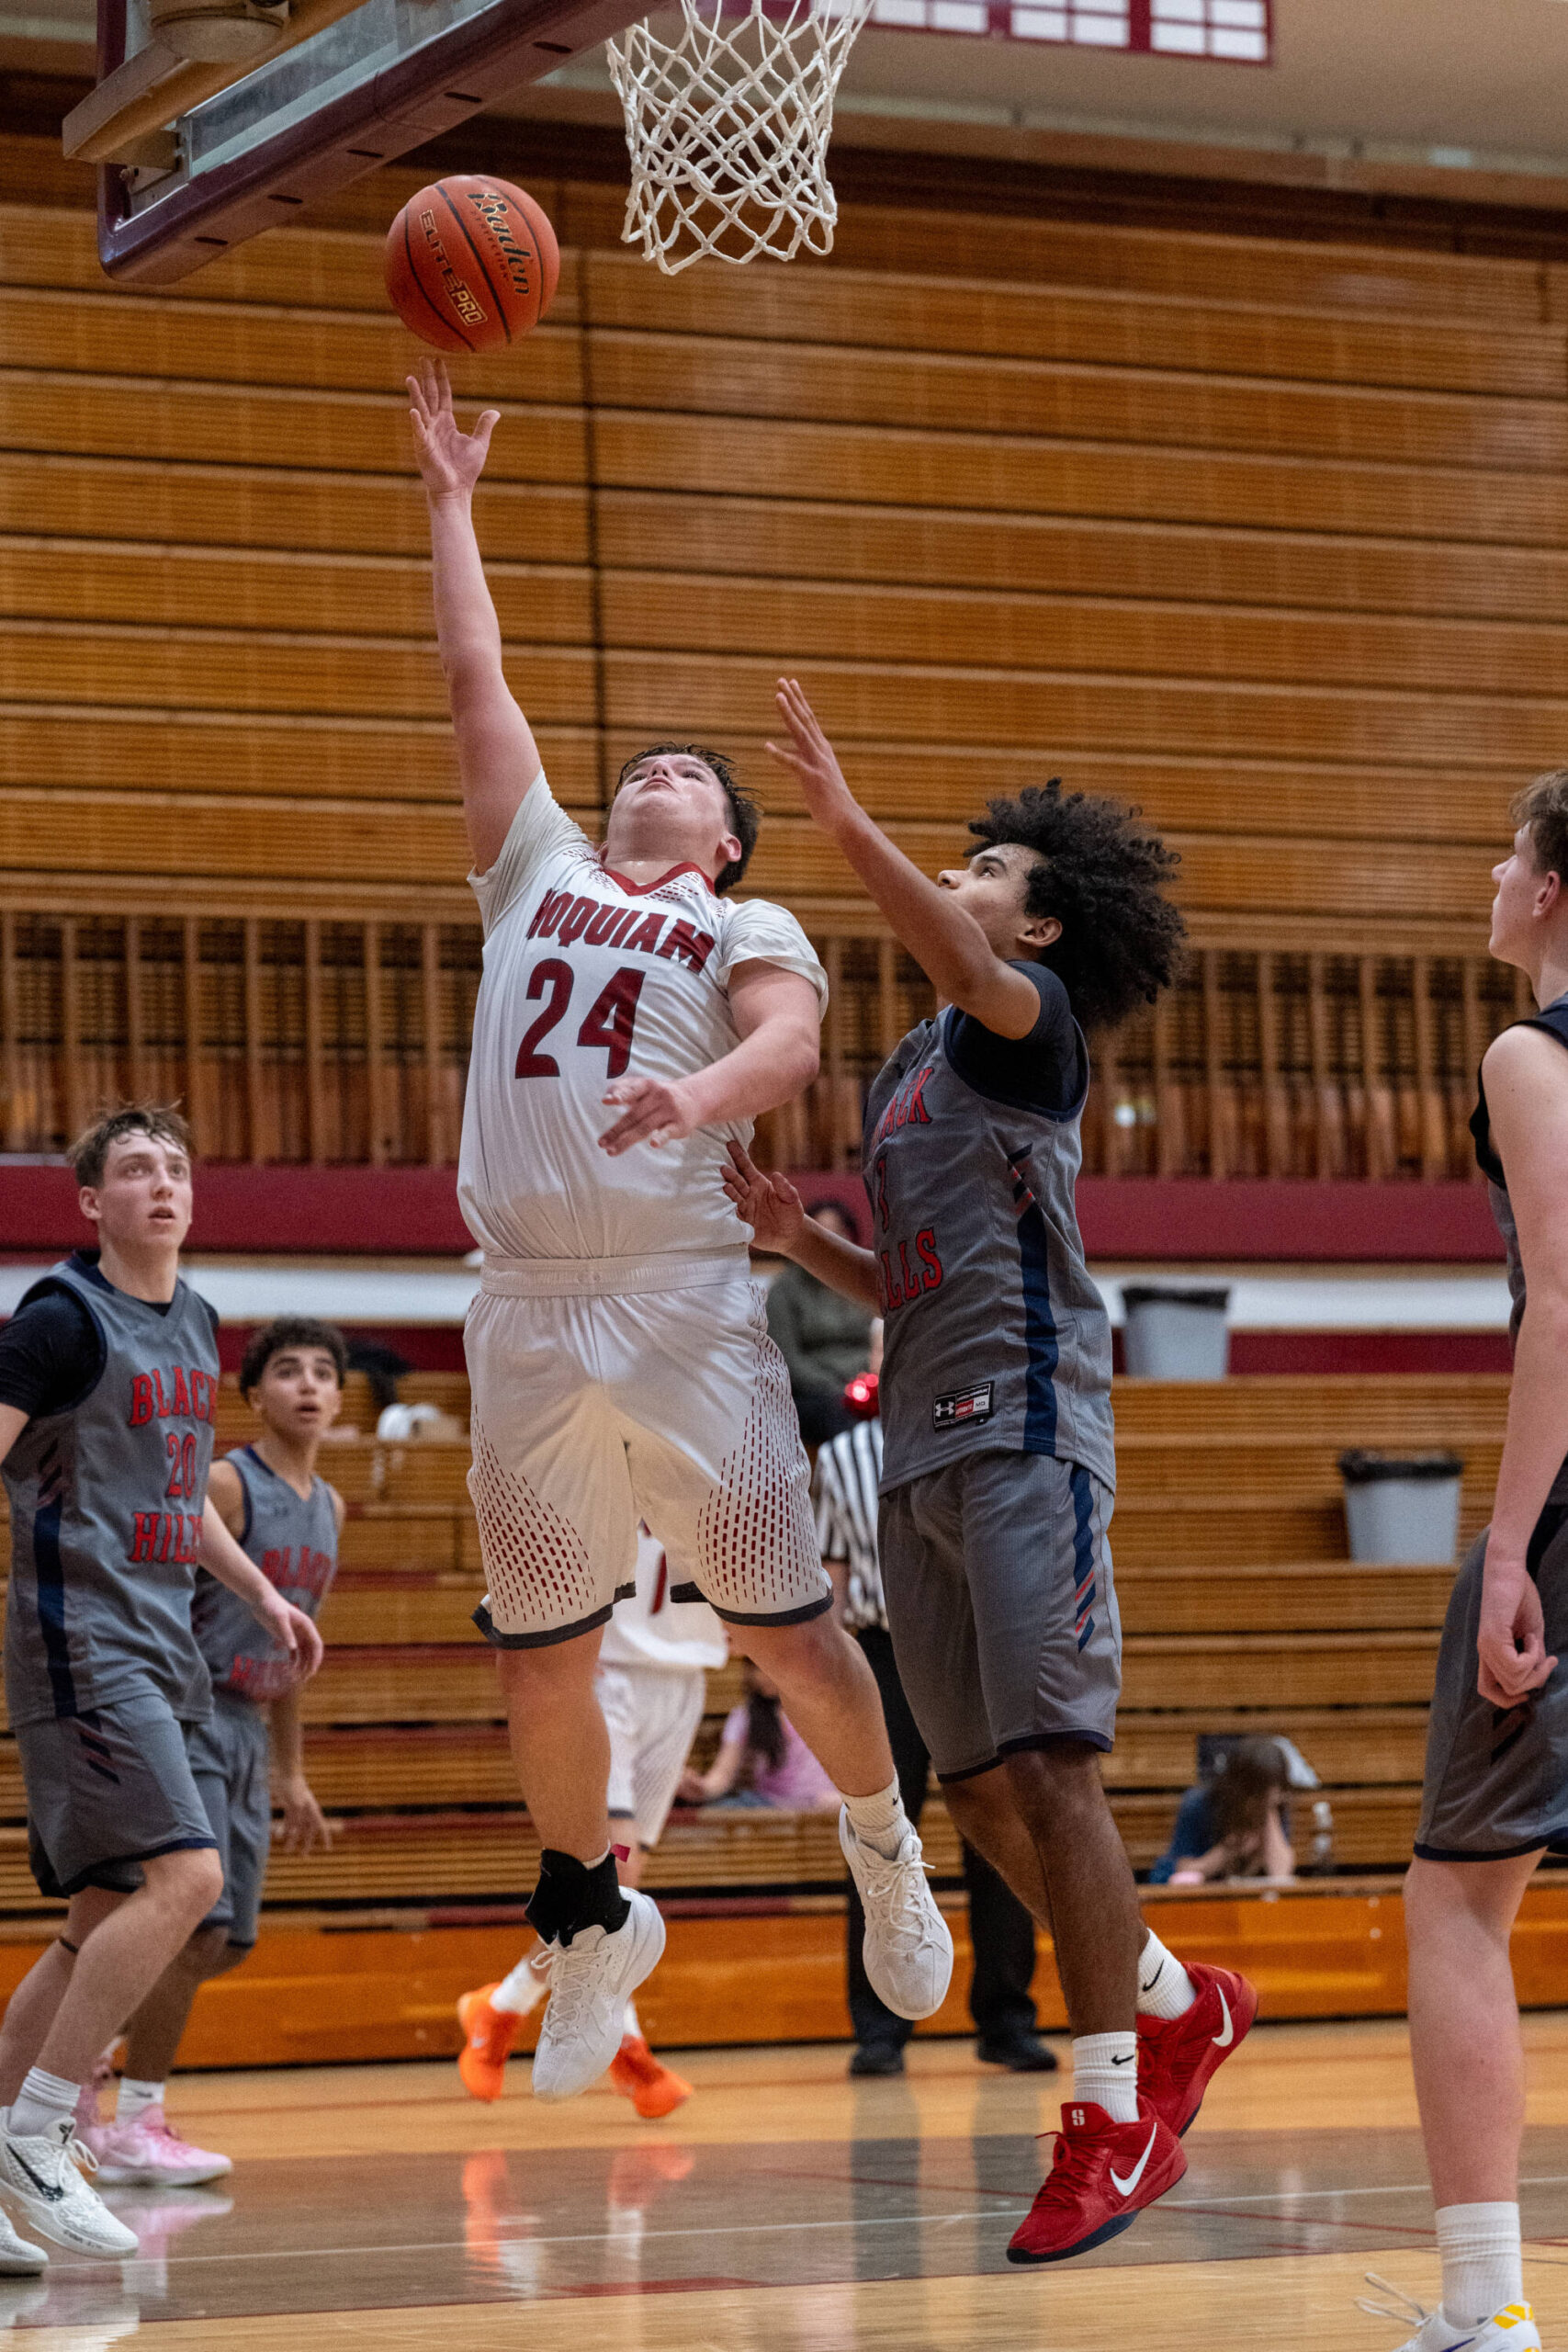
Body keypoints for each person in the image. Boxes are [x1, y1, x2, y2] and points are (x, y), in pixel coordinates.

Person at [407, 361, 953, 2104]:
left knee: (788, 1638)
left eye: (685, 775)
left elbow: (794, 1043)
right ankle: (585, 1928)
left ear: (720, 842)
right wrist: (450, 500)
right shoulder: (534, 863)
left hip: (676, 1300)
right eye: (639, 756)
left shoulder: (750, 916)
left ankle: (880, 1843)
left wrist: (696, 1103)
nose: (649, 769)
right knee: (537, 1662)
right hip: (522, 1307)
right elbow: (474, 676)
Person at [724, 679, 1258, 2265]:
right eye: (954, 859)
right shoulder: (906, 1073)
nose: (959, 880)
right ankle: (1176, 2004)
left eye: (986, 870)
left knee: (1050, 1768)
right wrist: (794, 1238)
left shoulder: (1027, 1028)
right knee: (970, 1788)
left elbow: (951, 948)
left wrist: (837, 820)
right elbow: (909, 1274)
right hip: (918, 1455)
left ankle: (1108, 2120)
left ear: (1037, 932)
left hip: (1028, 1433)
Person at [0, 1107, 323, 2265]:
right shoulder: (55, 1322)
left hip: (162, 1642)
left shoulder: (194, 1320)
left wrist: (260, 1592)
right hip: (76, 1637)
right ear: (90, 1202)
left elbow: (178, 1496)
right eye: (134, 1169)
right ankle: (43, 2131)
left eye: (176, 1167)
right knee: (185, 1877)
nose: (161, 1184)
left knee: (97, 1918)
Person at [1363, 775, 1568, 2352]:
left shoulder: (1526, 1051)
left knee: (1457, 1900)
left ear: (1552, 892)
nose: (1492, 876)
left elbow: (1560, 1300)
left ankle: (1479, 2307)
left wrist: (1508, 1546)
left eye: (1510, 854)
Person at [76, 1316, 345, 2187]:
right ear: (253, 1394)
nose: (308, 1386)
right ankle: (133, 2116)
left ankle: (88, 2053)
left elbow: (297, 1640)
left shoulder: (331, 1505)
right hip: (185, 1711)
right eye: (288, 1372)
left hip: (247, 1728)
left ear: (340, 1396)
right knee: (197, 1920)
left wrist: (291, 1767)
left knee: (228, 1945)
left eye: (323, 1374)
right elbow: (150, 1578)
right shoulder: (228, 1484)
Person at [815, 1379, 1057, 2076]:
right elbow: (830, 1576)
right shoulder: (840, 1457)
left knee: (1001, 1835)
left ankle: (1007, 2019)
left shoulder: (980, 1444)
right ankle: (878, 2029)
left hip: (979, 1647)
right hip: (882, 1658)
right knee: (878, 1839)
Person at [457, 1525, 723, 2120]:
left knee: (626, 1884)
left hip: (685, 1681)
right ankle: (622, 2046)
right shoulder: (605, 1437)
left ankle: (503, 2004)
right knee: (617, 1874)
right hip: (608, 1672)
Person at [764, 1201, 874, 1446]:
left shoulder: (865, 1281)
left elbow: (881, 1341)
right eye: (821, 1235)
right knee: (842, 1417)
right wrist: (839, 1389)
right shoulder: (786, 1289)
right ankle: (855, 1482)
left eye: (837, 1234)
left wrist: (867, 1382)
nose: (829, 1243)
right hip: (813, 1394)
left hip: (867, 1385)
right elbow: (786, 1359)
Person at [680, 1660, 840, 1812]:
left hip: (828, 1803)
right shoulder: (744, 1716)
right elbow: (722, 1774)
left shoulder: (829, 1709)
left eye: (774, 1665)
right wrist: (701, 1787)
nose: (763, 1675)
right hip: (771, 1807)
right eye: (757, 1667)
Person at [1149, 1736, 1295, 1887]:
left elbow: (1281, 1875)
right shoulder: (1199, 1803)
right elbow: (1169, 1876)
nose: (1256, 1804)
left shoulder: (1274, 1807)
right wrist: (1228, 1850)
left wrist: (1269, 1813)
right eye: (1255, 1795)